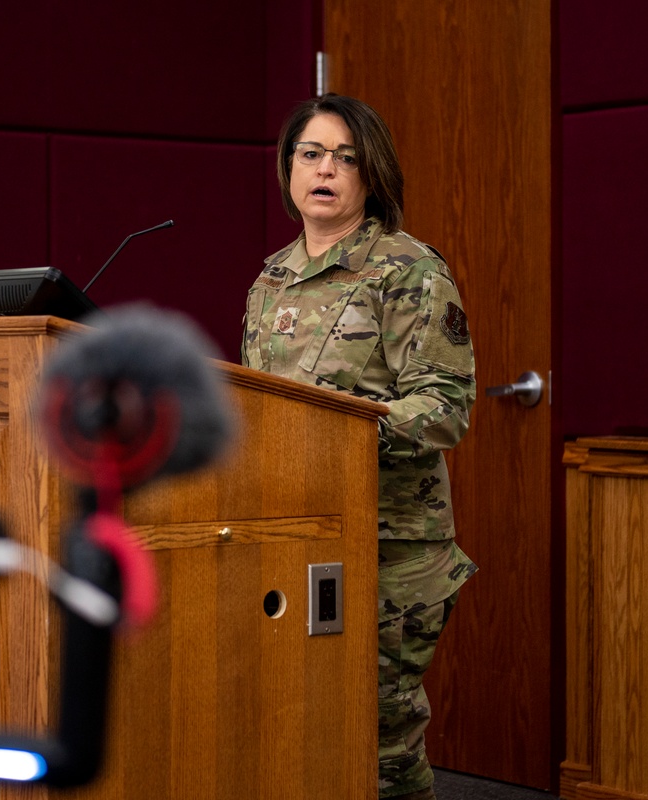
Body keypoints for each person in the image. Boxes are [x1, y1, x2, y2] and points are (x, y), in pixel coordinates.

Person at [241, 93, 477, 800]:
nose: (326, 169)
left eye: (345, 157)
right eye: (310, 154)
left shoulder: (408, 271)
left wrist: (340, 425)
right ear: (287, 170)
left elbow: (445, 407)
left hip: (390, 550)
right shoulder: (270, 278)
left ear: (369, 174)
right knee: (298, 728)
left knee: (380, 743)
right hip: (294, 536)